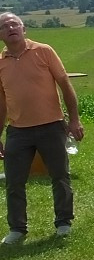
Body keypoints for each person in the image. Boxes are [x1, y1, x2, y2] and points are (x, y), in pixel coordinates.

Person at [0, 12, 84, 245]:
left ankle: (64, 223)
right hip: (17, 132)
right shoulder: (0, 63)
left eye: (14, 24)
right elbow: (1, 103)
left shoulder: (44, 51)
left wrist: (74, 120)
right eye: (4, 26)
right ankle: (17, 229)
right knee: (14, 182)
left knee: (60, 177)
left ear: (24, 29)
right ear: (0, 35)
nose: (10, 28)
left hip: (52, 126)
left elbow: (65, 85)